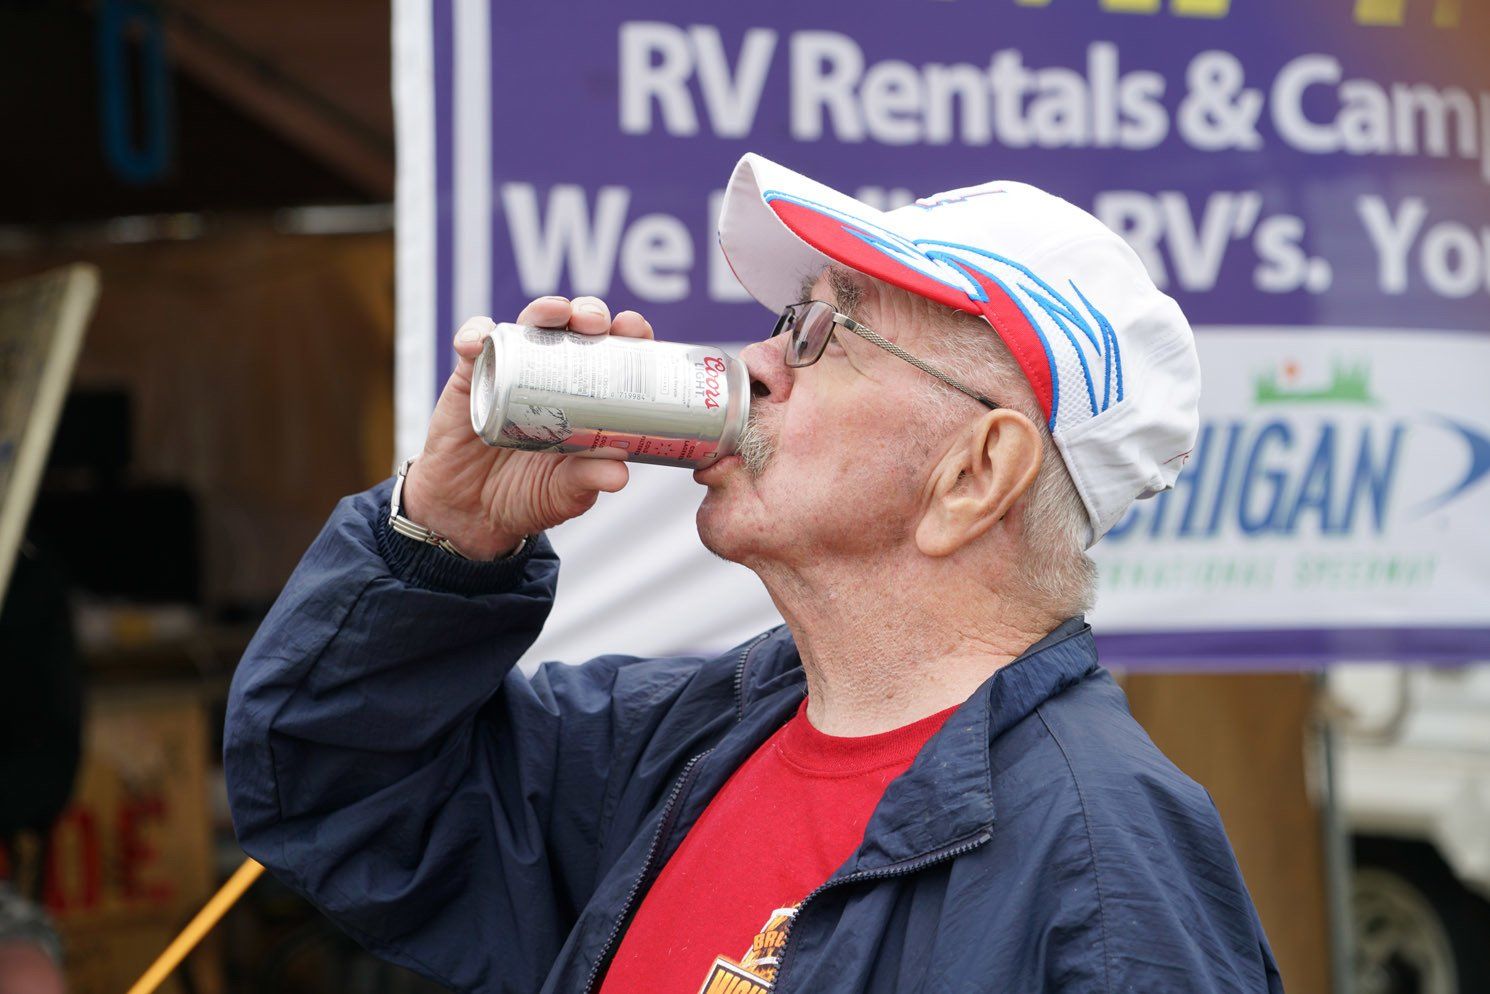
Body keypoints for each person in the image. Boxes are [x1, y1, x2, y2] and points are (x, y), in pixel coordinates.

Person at [224, 154, 1283, 993]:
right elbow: (335, 788)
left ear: (977, 471)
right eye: (785, 322)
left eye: (826, 332)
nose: (757, 362)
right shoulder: (693, 738)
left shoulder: (1102, 856)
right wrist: (443, 538)